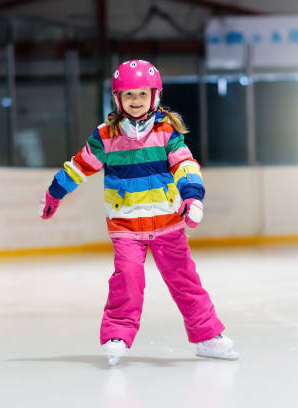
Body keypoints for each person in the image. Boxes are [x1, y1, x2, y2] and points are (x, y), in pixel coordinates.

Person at [40, 59, 238, 366]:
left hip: (167, 222)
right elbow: (79, 166)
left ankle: (207, 337)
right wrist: (55, 192)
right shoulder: (107, 135)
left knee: (185, 280)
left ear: (154, 96)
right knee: (128, 278)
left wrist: (193, 196)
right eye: (129, 95)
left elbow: (185, 165)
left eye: (142, 95)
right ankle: (116, 334)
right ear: (118, 99)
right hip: (126, 225)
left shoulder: (166, 132)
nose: (136, 101)